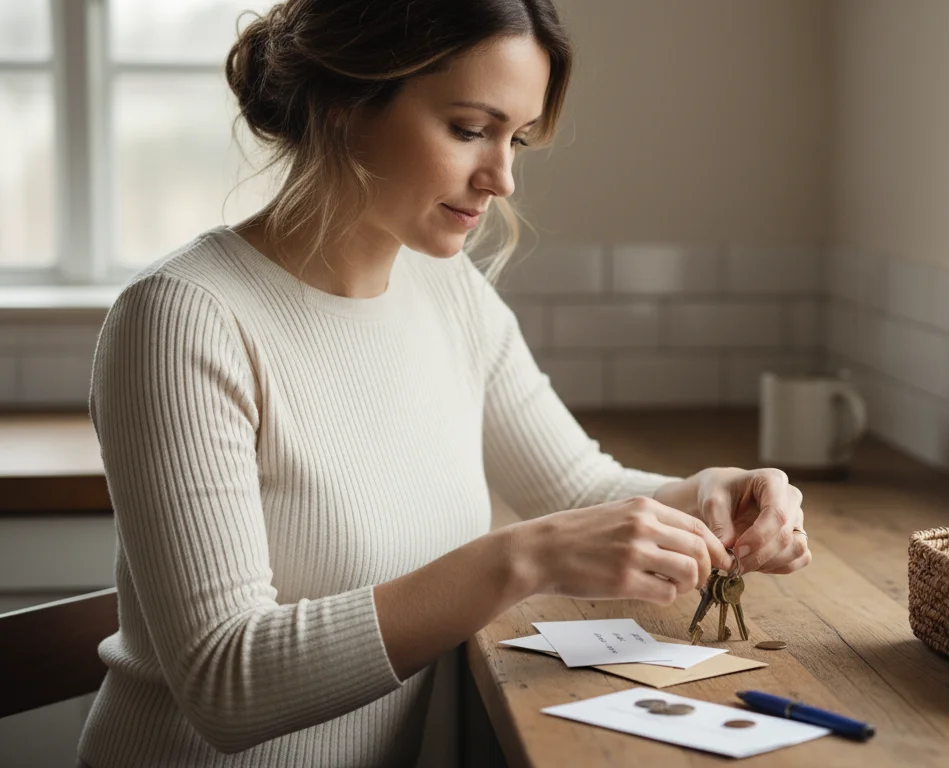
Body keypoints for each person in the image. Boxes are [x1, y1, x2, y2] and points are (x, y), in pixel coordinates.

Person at [75, 1, 811, 765]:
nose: (503, 178)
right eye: (470, 130)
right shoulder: (183, 318)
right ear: (344, 103)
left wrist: (711, 493)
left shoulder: (444, 287)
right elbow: (228, 684)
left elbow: (576, 485)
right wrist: (521, 559)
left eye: (517, 138)